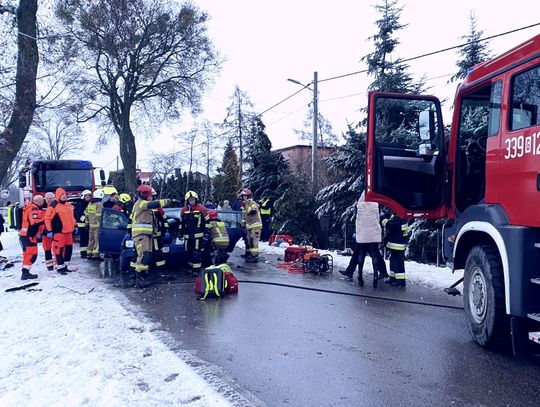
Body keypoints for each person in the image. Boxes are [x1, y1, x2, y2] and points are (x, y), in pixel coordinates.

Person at [130, 184, 176, 287]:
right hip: (141, 235)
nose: (152, 197)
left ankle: (142, 277)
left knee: (146, 256)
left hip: (146, 235)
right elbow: (155, 204)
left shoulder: (143, 204)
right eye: (151, 195)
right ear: (145, 195)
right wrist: (170, 201)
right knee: (143, 256)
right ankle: (140, 279)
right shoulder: (141, 204)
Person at [339, 192, 388, 287]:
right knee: (376, 254)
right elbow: (377, 219)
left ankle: (353, 273)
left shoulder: (361, 208)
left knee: (358, 253)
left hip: (363, 236)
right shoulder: (375, 206)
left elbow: (358, 222)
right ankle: (383, 272)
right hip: (373, 236)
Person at [44, 188, 77, 275]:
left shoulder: (68, 205)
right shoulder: (53, 206)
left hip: (69, 232)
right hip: (59, 233)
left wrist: (75, 225)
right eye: (62, 195)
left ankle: (65, 266)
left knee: (68, 250)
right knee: (58, 250)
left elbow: (72, 218)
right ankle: (60, 267)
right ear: (58, 196)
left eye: (64, 195)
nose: (64, 196)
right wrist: (49, 230)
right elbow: (47, 219)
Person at [181, 190, 211, 276]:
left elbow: (207, 222)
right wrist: (180, 232)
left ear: (196, 199)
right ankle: (190, 268)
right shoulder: (184, 210)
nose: (192, 201)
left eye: (193, 199)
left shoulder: (201, 209)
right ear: (187, 201)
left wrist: (207, 234)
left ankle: (196, 270)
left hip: (198, 236)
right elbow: (181, 223)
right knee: (188, 252)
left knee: (196, 252)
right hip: (187, 236)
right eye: (190, 200)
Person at [19, 195, 45, 280]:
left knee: (27, 254)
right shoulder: (34, 208)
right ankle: (25, 273)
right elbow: (34, 222)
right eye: (42, 201)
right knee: (32, 254)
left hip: (24, 235)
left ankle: (25, 272)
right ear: (39, 201)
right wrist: (45, 219)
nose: (43, 203)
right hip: (29, 235)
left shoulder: (28, 207)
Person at [382, 212, 409, 287]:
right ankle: (393, 278)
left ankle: (400, 281)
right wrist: (389, 216)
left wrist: (383, 218)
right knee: (393, 261)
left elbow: (389, 225)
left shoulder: (398, 218)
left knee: (397, 262)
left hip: (396, 244)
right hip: (399, 243)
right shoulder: (402, 216)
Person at [240, 188, 262, 263]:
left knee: (254, 240)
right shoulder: (243, 204)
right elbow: (244, 215)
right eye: (243, 196)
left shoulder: (253, 203)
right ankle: (249, 254)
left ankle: (255, 256)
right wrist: (242, 225)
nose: (244, 197)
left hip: (256, 225)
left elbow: (251, 211)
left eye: (245, 196)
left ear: (249, 196)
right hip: (249, 226)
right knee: (248, 241)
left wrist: (245, 205)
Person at [84, 189, 104, 260]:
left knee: (91, 240)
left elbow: (86, 214)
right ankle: (96, 255)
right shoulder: (99, 204)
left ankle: (89, 253)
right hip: (97, 225)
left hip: (91, 225)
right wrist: (101, 224)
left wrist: (86, 223)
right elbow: (99, 215)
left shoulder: (90, 203)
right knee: (97, 240)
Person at [74, 190, 92, 258]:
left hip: (88, 224)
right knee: (83, 239)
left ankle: (87, 252)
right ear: (83, 196)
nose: (89, 197)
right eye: (87, 196)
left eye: (90, 196)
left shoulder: (89, 204)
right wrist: (86, 220)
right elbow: (79, 215)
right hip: (82, 225)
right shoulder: (80, 204)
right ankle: (83, 253)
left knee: (87, 239)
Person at [42, 192, 56, 270]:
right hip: (45, 231)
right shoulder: (42, 206)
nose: (48, 200)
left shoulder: (56, 206)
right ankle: (49, 265)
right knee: (47, 249)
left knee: (57, 248)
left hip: (55, 230)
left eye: (50, 198)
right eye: (47, 198)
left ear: (54, 198)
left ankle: (58, 263)